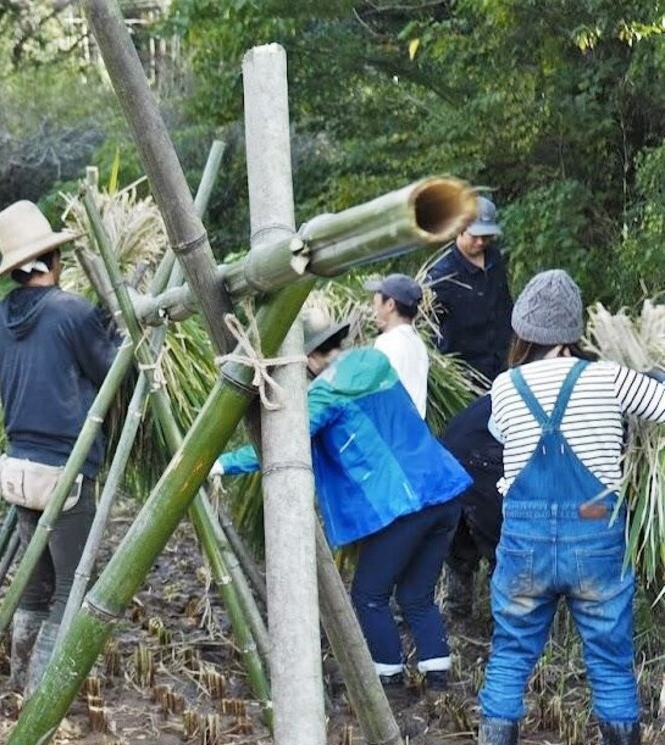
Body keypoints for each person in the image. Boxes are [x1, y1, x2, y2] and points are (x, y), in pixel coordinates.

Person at [213, 307, 470, 692]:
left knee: (369, 595)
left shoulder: (324, 395)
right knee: (416, 594)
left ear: (310, 357)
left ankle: (389, 682)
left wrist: (222, 462)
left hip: (401, 504)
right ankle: (437, 681)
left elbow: (284, 443)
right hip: (443, 491)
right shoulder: (374, 361)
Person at [477, 269, 665, 745]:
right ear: (573, 331)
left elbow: (500, 433)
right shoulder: (609, 377)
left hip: (524, 540)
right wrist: (651, 379)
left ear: (524, 331)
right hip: (595, 538)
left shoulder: (504, 386)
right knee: (609, 656)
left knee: (512, 649)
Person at [0, 201, 117, 691]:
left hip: (20, 469)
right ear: (53, 260)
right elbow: (110, 373)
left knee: (36, 585)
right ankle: (43, 694)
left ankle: (22, 679)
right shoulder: (71, 311)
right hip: (67, 469)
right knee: (70, 587)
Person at [423, 196, 512, 382]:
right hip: (466, 376)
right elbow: (429, 328)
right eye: (475, 236)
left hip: (502, 365)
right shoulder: (441, 274)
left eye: (486, 237)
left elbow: (505, 306)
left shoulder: (495, 259)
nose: (480, 242)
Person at [438, 392, 503, 621]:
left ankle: (458, 612)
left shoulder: (509, 384)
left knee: (460, 538)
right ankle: (506, 624)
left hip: (450, 452)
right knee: (503, 545)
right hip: (479, 455)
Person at [364, 273, 429, 417]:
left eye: (375, 304)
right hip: (414, 430)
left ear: (390, 305)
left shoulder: (387, 342)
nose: (374, 311)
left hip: (390, 431)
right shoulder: (418, 344)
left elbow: (377, 396)